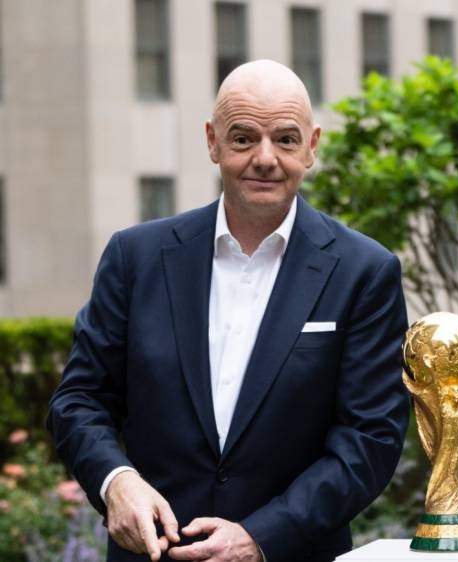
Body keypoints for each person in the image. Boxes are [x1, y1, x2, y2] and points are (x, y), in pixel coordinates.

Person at [47, 60, 409, 562]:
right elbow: (80, 399)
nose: (265, 158)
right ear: (212, 142)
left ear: (311, 146)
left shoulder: (364, 271)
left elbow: (370, 439)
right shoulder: (136, 257)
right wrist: (116, 481)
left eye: (285, 139)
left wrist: (261, 537)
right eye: (243, 138)